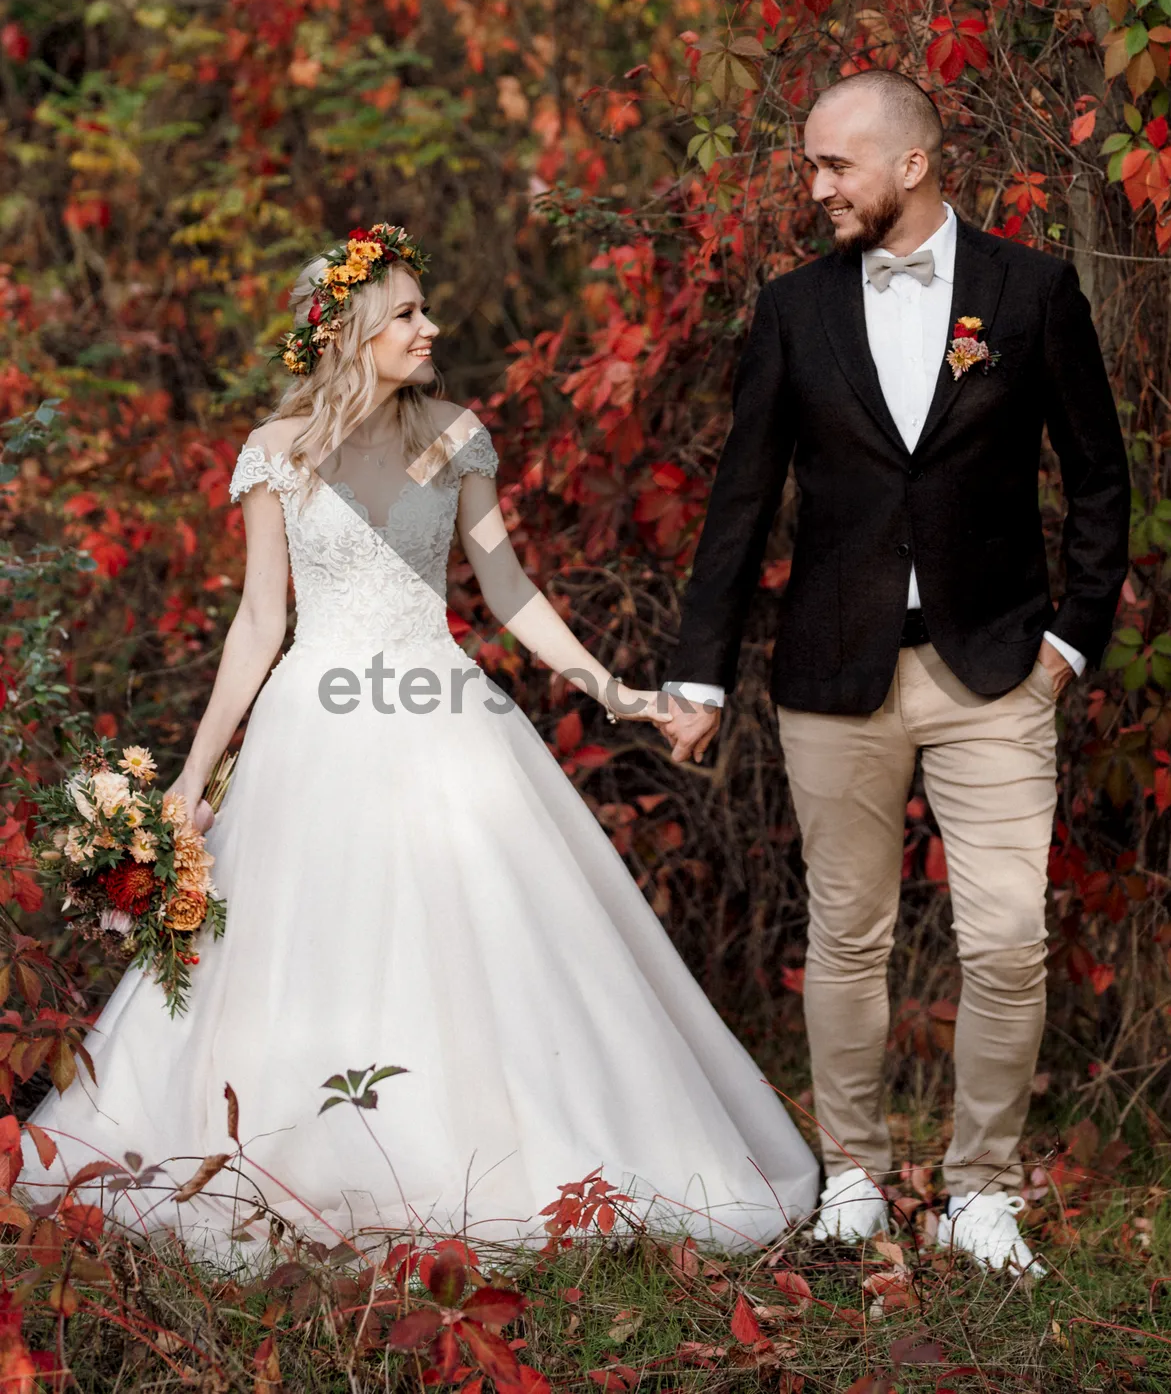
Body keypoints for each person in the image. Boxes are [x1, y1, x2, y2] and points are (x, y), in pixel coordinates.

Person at [22, 222, 818, 1259]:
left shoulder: (454, 435)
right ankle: (290, 1157)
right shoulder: (276, 450)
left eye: (422, 308)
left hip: (441, 708)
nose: (429, 325)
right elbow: (261, 620)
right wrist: (186, 776)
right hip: (315, 720)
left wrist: (611, 688)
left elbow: (508, 588)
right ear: (351, 331)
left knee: (482, 924)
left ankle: (493, 1151)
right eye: (405, 312)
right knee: (297, 937)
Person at [657, 71, 1130, 1278]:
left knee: (1010, 938)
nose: (813, 188)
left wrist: (1071, 642)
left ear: (913, 163)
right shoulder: (792, 309)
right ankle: (855, 1177)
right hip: (834, 670)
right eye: (810, 165)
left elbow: (1098, 479)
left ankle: (982, 1191)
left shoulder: (1032, 292)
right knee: (849, 934)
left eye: (835, 166)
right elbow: (742, 500)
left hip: (997, 668)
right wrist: (699, 675)